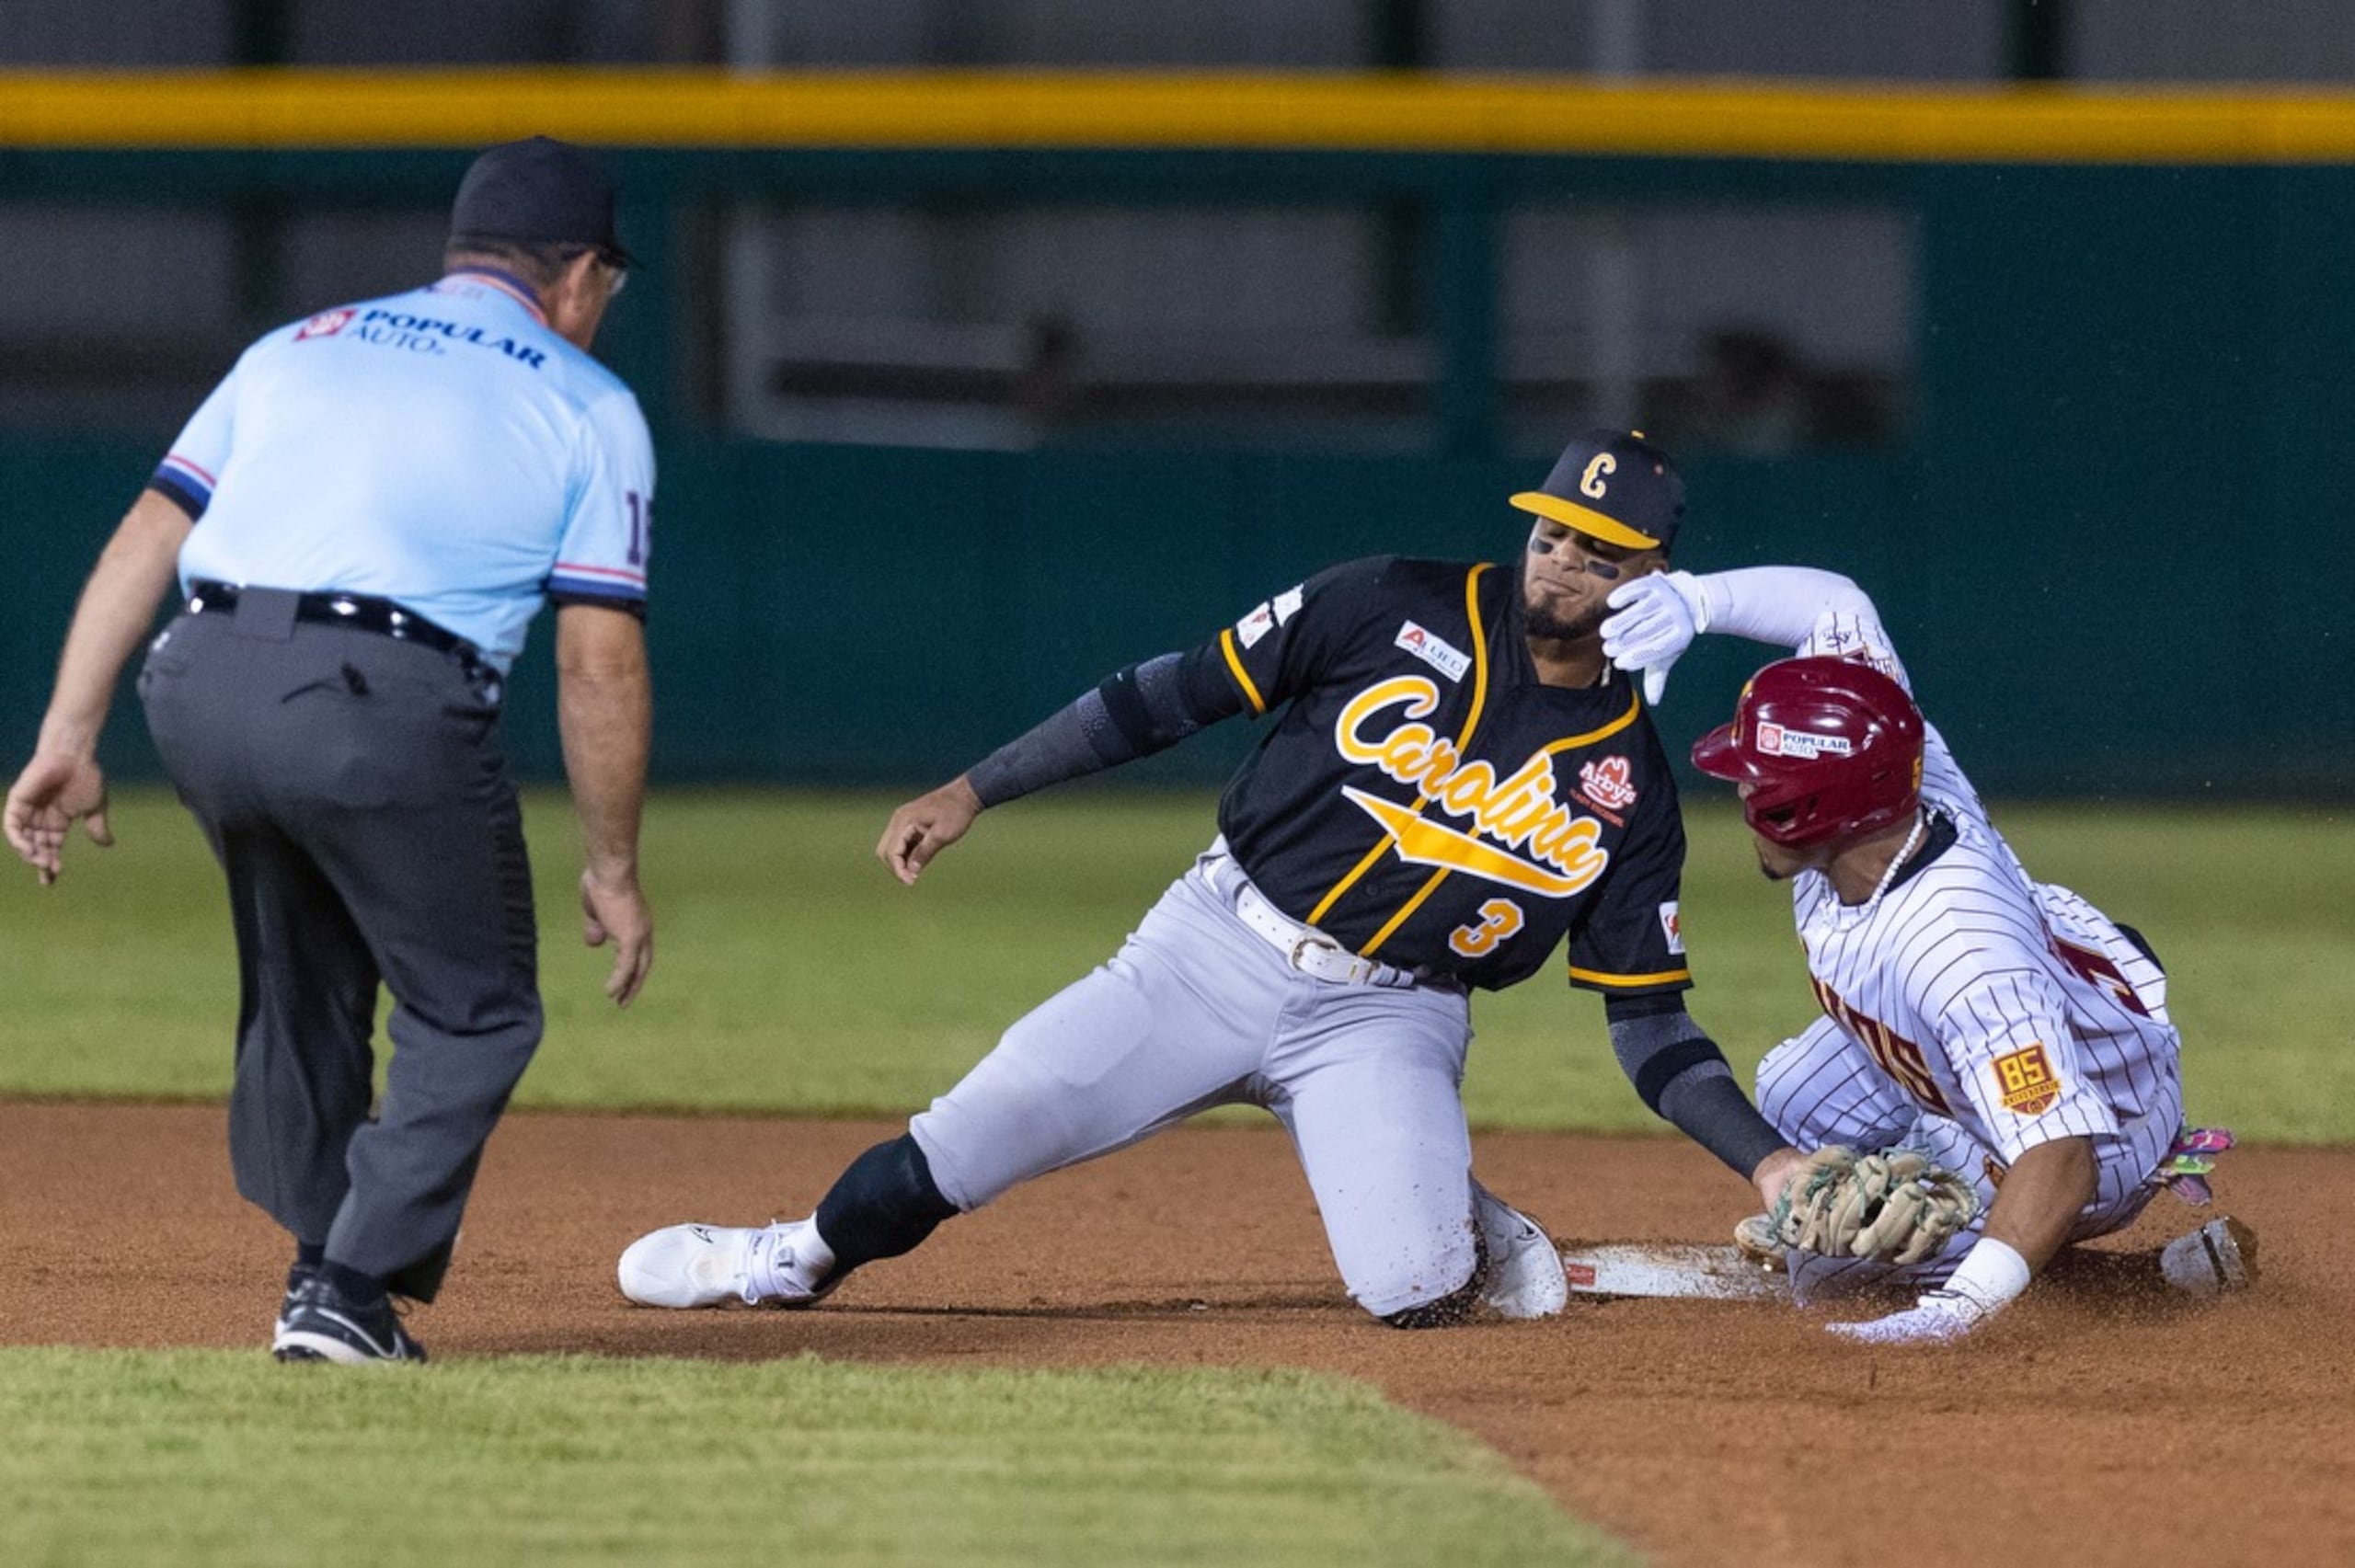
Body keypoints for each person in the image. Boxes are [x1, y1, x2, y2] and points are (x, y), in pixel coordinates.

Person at [618, 430, 1809, 1328]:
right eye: (1552, 531)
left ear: (1654, 576)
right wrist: (975, 787)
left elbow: (1648, 1020)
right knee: (979, 1130)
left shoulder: (1633, 783)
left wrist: (1770, 1162)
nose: (1561, 559)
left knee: (1415, 1287)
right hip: (1211, 950)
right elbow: (1165, 695)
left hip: (1389, 1014)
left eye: (1598, 550)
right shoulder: (1387, 601)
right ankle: (786, 1257)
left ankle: (1455, 1215)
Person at [3, 136, 658, 1365]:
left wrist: (68, 732)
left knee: (304, 987)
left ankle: (321, 1268)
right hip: (379, 695)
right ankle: (349, 1291)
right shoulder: (589, 403)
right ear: (575, 277)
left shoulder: (299, 345)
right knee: (476, 1015)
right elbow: (597, 660)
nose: (602, 308)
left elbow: (150, 530)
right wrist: (612, 864)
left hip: (194, 681)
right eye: (606, 286)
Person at [1600, 566, 2217, 1343]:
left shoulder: (1958, 953)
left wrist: (1957, 1313)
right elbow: (1837, 605)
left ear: (1812, 808)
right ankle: (1950, 1209)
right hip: (2021, 1019)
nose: (1742, 795)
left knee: (1837, 1273)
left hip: (2109, 1122)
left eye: (1758, 783)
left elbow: (2064, 1155)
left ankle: (2142, 1282)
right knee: (1793, 1095)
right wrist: (1696, 600)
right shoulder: (1888, 761)